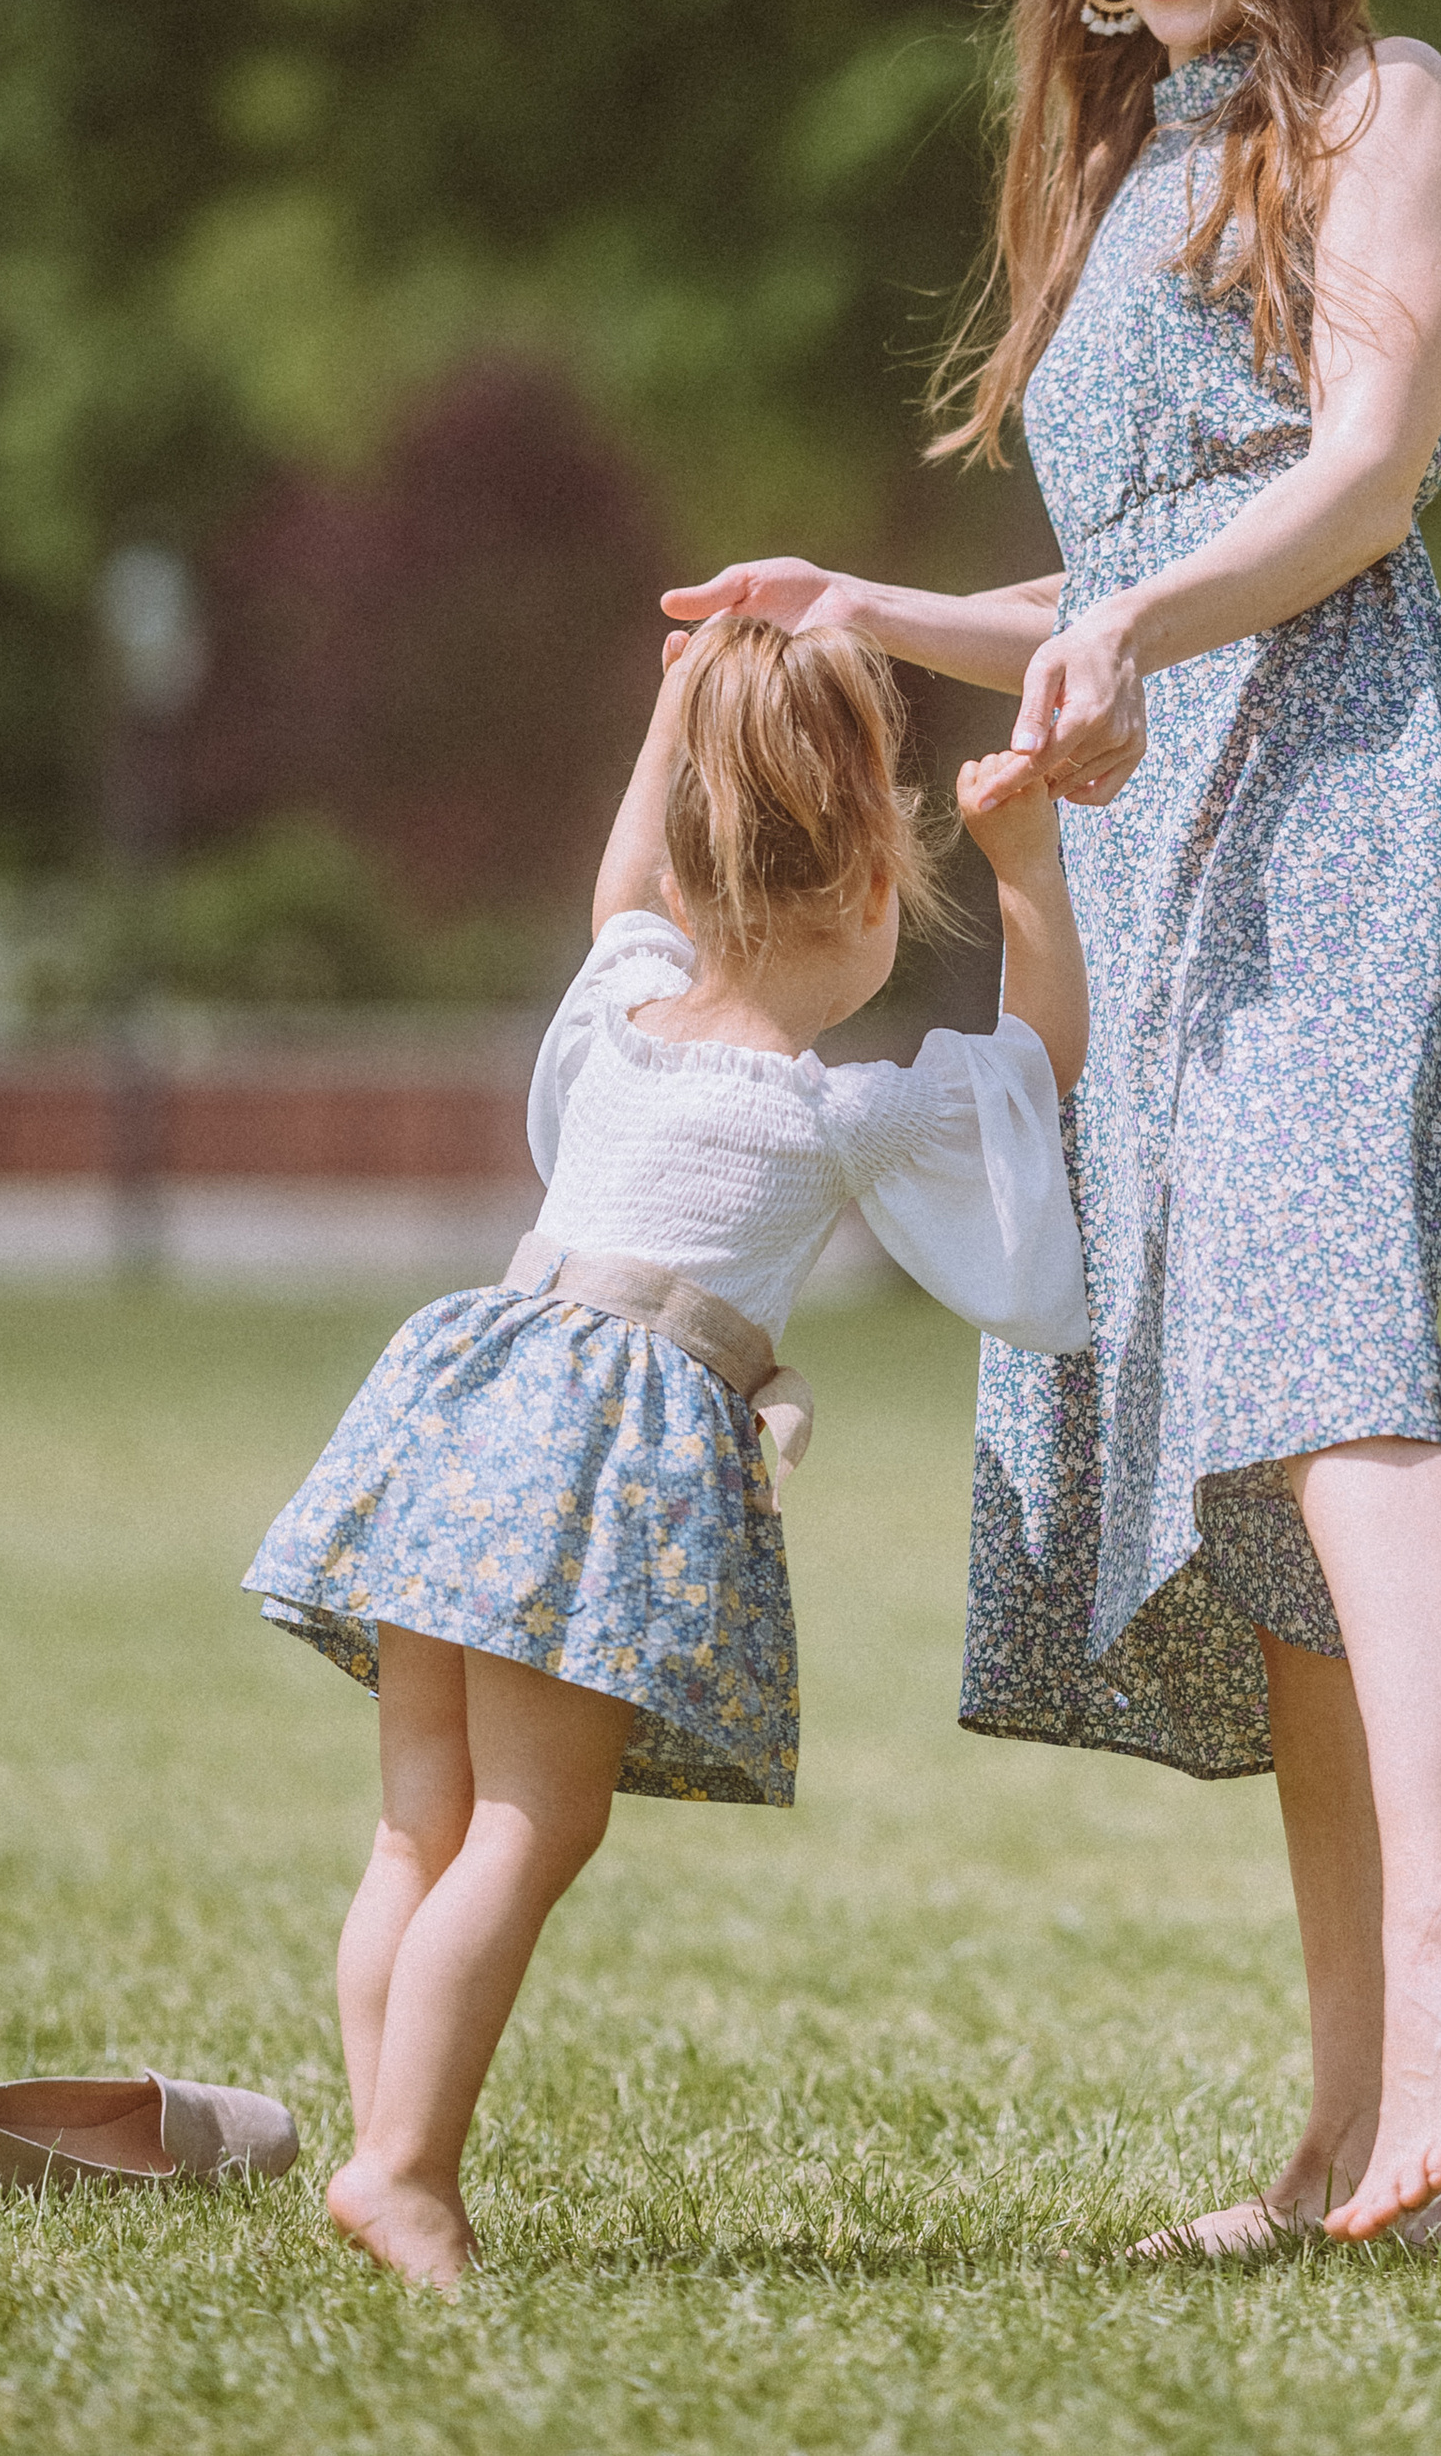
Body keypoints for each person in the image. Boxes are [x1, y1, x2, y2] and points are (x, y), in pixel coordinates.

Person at [666, 0, 1441, 2252]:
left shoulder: (1392, 110)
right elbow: (1137, 562)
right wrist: (883, 599)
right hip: (1166, 840)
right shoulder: (1114, 174)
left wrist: (1135, 639)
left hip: (1351, 800)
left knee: (1325, 1348)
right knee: (1253, 1476)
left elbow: (1363, 481)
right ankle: (1341, 2128)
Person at [243, 614, 1089, 2290]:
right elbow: (1038, 1075)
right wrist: (1030, 864)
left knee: (421, 1825)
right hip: (588, 1454)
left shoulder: (625, 1010)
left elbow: (620, 890)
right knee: (533, 1827)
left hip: (459, 1408)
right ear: (865, 899)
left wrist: (673, 711)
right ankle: (403, 2170)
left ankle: (383, 2147)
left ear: (690, 878)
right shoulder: (833, 1105)